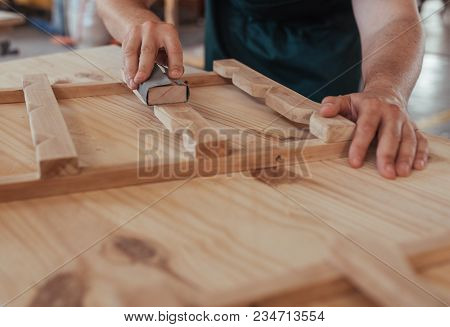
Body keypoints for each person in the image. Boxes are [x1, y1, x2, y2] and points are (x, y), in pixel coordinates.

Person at [96, 0, 429, 179]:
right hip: (228, 72)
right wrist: (136, 20)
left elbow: (394, 18)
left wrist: (386, 89)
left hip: (324, 68)